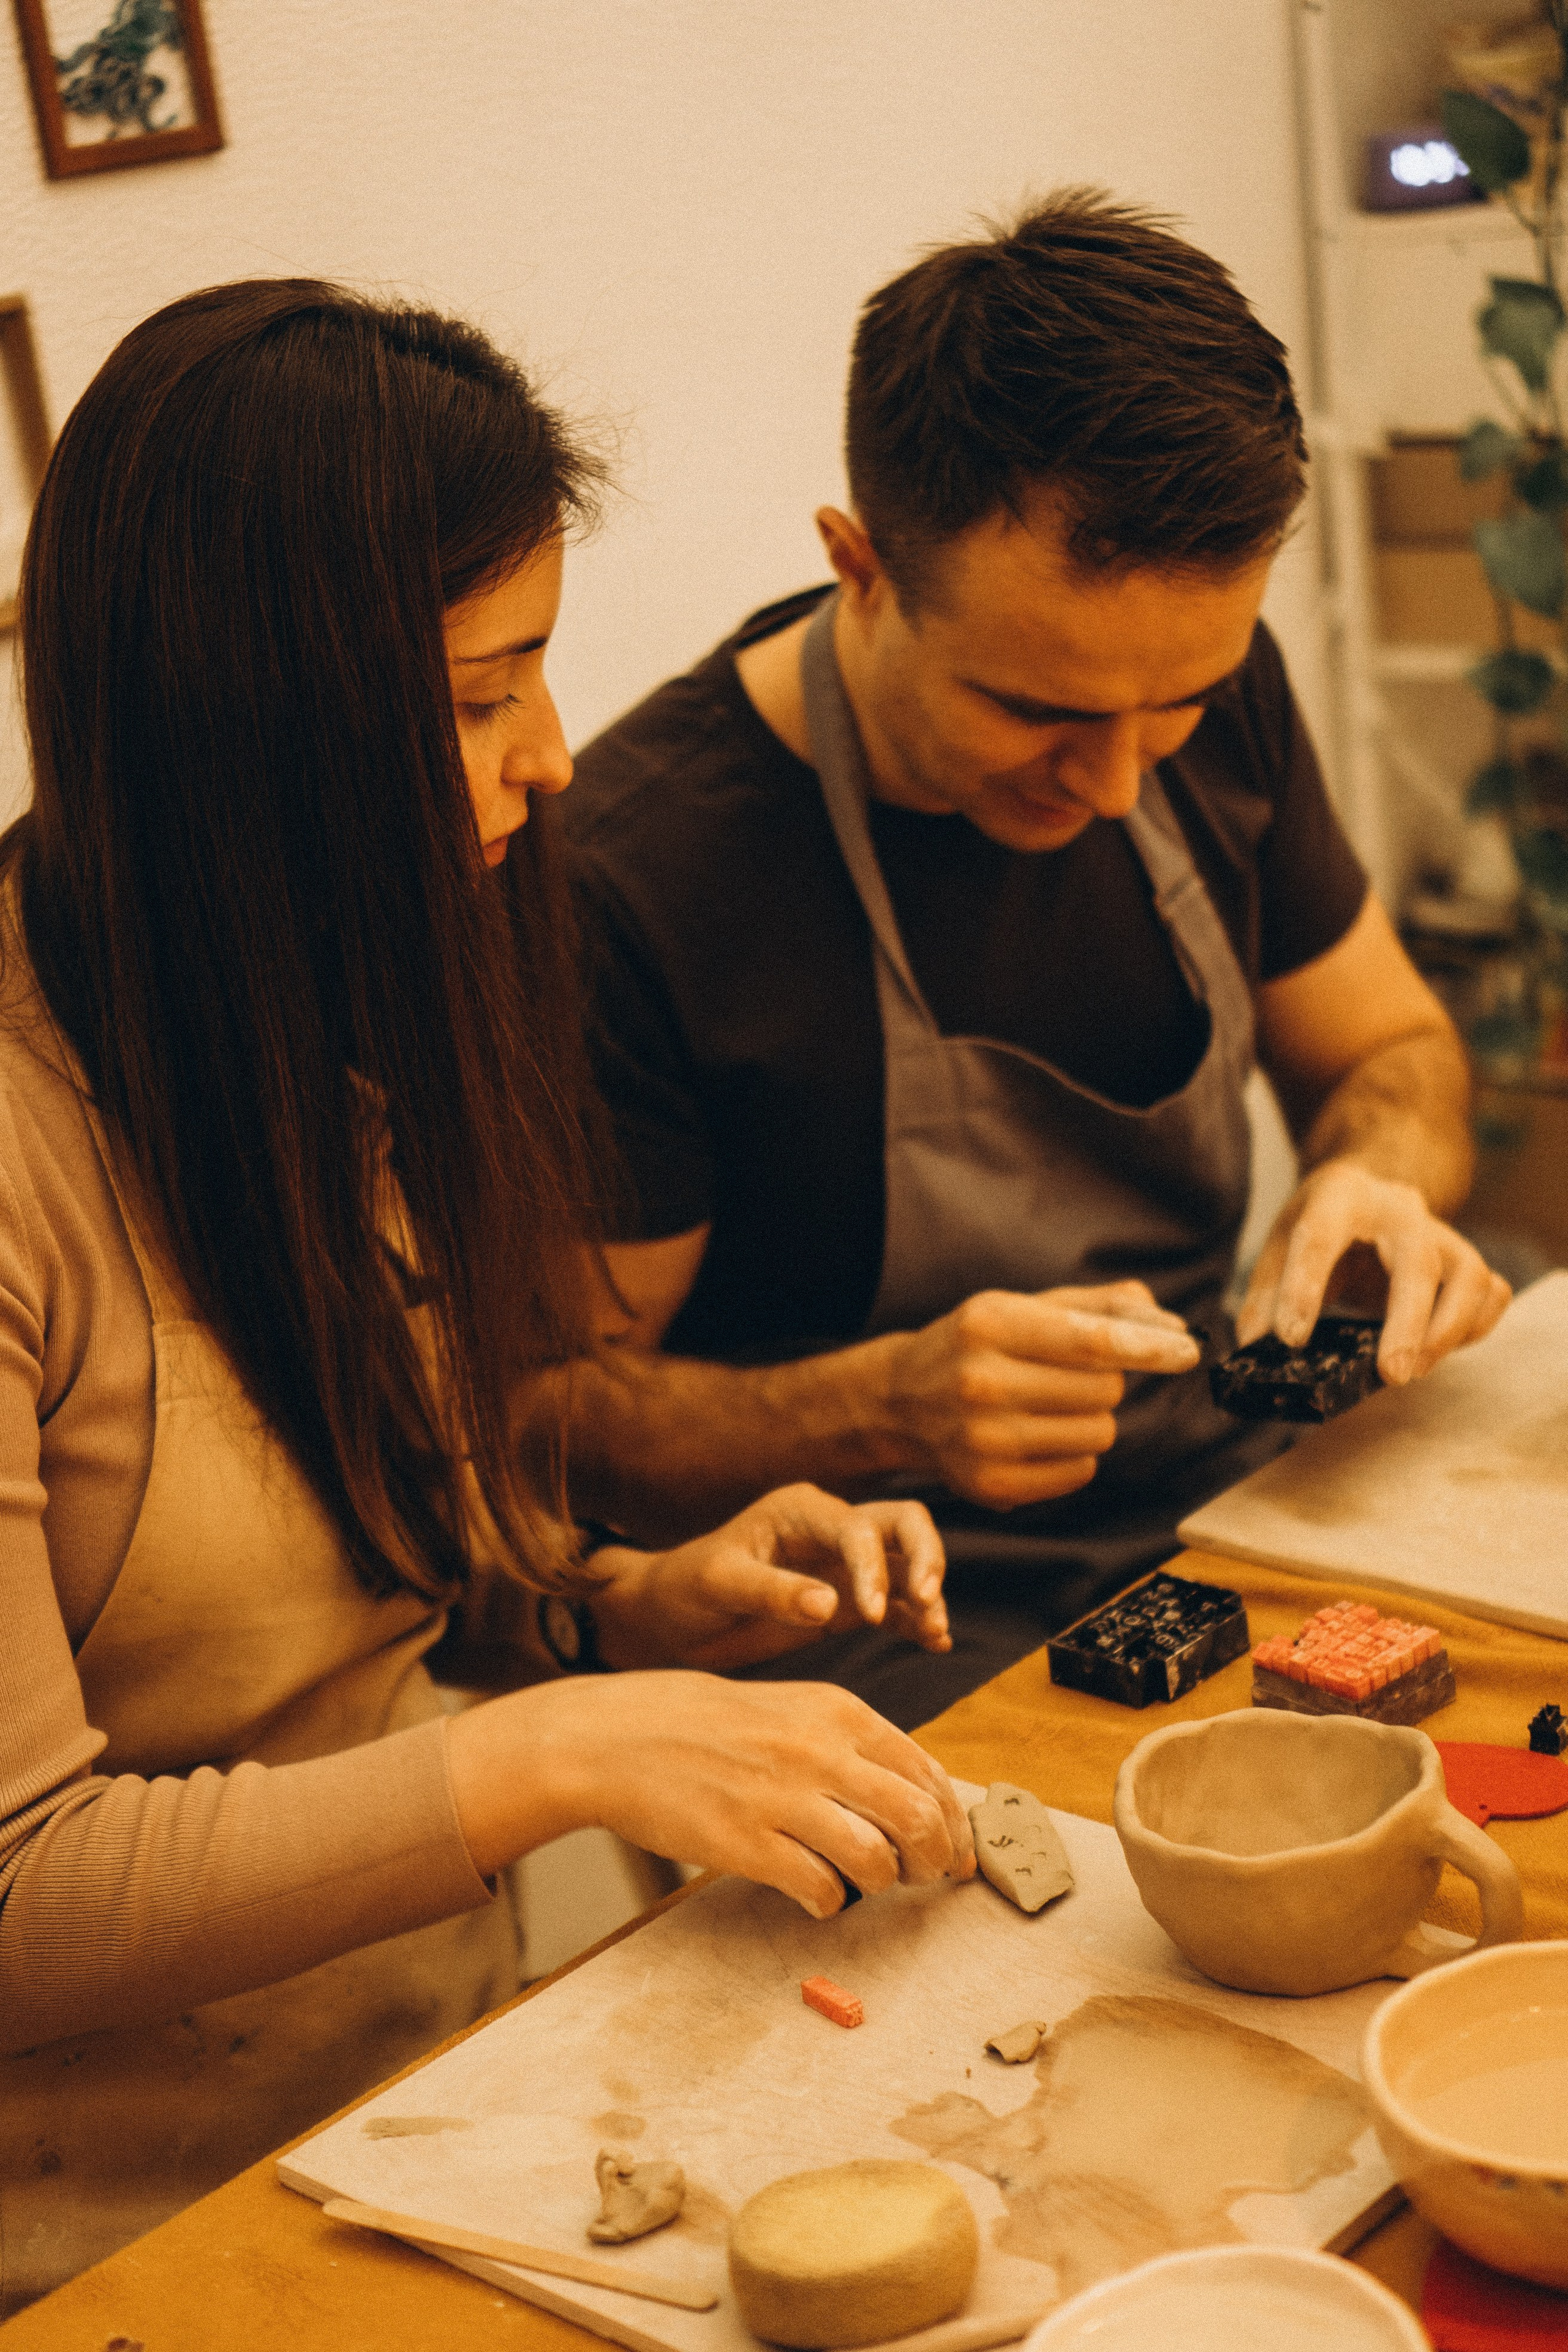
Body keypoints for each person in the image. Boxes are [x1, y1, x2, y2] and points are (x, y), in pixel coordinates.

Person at [0, 279, 973, 2315]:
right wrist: (557, 1755)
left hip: (445, 2099)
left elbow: (371, 1573)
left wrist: (611, 1595)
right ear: (241, 727)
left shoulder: (316, 1004)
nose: (548, 760)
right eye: (473, 697)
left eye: (539, 672)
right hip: (116, 2243)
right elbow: (21, 1893)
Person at [554, 192, 1511, 1727]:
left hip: (1235, 1476)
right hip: (888, 1607)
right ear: (859, 566)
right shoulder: (628, 876)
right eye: (1038, 714)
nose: (1120, 780)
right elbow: (552, 1422)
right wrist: (878, 1407)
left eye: (1178, 705)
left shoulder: (1194, 673)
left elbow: (1390, 1056)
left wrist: (1377, 1176)